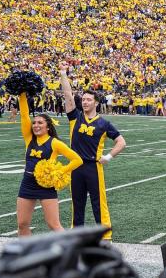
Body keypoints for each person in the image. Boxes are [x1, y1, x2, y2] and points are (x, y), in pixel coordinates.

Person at [60, 68, 127, 240]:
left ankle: (105, 237)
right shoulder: (75, 117)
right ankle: (76, 236)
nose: (85, 102)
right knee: (77, 204)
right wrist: (63, 74)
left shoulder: (104, 124)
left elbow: (121, 142)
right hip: (76, 167)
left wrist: (109, 157)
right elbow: (68, 95)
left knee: (99, 204)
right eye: (83, 99)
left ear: (96, 102)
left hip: (93, 167)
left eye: (89, 99)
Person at [15, 92, 83, 236]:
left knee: (54, 225)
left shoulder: (54, 143)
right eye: (34, 123)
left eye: (40, 123)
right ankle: (26, 255)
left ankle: (71, 253)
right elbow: (24, 116)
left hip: (46, 186)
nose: (35, 125)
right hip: (27, 183)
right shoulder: (29, 139)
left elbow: (77, 160)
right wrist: (21, 94)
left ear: (48, 127)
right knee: (22, 224)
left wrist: (60, 171)